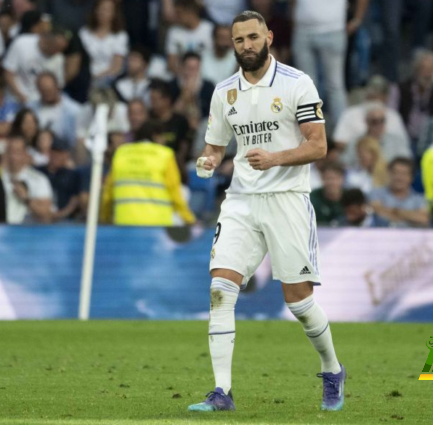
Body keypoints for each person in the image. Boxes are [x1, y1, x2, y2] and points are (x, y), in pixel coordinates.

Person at [189, 11, 345, 413]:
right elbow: (215, 146)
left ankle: (332, 368)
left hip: (288, 199)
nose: (247, 46)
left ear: (269, 37)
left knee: (299, 304)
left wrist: (275, 158)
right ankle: (222, 392)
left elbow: (318, 146)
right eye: (239, 40)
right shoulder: (225, 91)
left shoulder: (298, 83)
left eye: (253, 37)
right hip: (241, 200)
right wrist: (206, 161)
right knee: (221, 289)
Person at [99, 120, 195, 226]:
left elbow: (108, 193)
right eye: (162, 137)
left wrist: (105, 218)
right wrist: (189, 220)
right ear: (155, 136)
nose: (164, 141)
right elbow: (175, 193)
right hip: (157, 225)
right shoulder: (165, 155)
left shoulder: (121, 153)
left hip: (124, 223)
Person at [2, 135, 55, 224]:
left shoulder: (38, 179)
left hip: (28, 231)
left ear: (25, 154)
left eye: (17, 152)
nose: (12, 157)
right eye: (9, 151)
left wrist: (26, 199)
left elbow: (46, 215)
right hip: (0, 227)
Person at [78, 0, 128, 87]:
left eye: (107, 10)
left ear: (114, 13)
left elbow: (117, 66)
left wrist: (98, 78)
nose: (102, 13)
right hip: (84, 79)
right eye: (100, 9)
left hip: (109, 81)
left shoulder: (120, 36)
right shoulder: (84, 33)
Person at [368, 158, 429, 227]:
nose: (399, 177)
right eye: (395, 172)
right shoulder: (376, 193)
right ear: (389, 174)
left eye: (404, 174)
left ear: (411, 177)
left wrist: (394, 212)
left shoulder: (420, 199)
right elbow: (376, 210)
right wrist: (411, 215)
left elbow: (424, 218)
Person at [28, 72, 81, 147]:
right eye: (43, 91)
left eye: (49, 90)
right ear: (38, 90)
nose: (47, 94)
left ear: (57, 87)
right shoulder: (30, 108)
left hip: (63, 150)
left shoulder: (73, 110)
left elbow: (77, 138)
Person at [36, 137, 80, 221]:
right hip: (39, 217)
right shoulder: (38, 172)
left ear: (66, 156)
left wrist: (61, 214)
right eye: (54, 152)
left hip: (64, 219)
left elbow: (75, 199)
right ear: (49, 152)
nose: (56, 156)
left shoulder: (71, 174)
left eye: (61, 153)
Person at [165, 0, 214, 74]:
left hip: (206, 74)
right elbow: (171, 64)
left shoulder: (209, 30)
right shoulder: (174, 32)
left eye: (179, 13)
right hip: (182, 75)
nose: (176, 17)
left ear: (191, 12)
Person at [310, 161, 345, 226]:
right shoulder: (313, 198)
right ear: (322, 178)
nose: (331, 182)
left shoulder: (350, 197)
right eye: (328, 178)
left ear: (342, 179)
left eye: (335, 178)